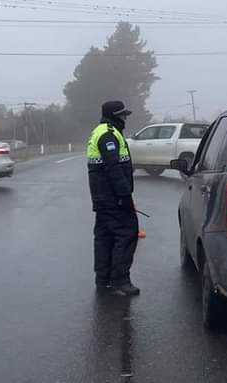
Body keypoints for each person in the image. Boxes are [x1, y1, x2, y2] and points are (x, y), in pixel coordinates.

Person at [87, 100, 140, 296]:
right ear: (114, 115)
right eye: (123, 115)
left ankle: (103, 279)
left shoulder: (101, 131)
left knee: (104, 237)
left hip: (103, 197)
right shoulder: (108, 135)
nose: (125, 118)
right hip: (112, 197)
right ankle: (120, 281)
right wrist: (124, 195)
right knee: (126, 234)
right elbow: (113, 168)